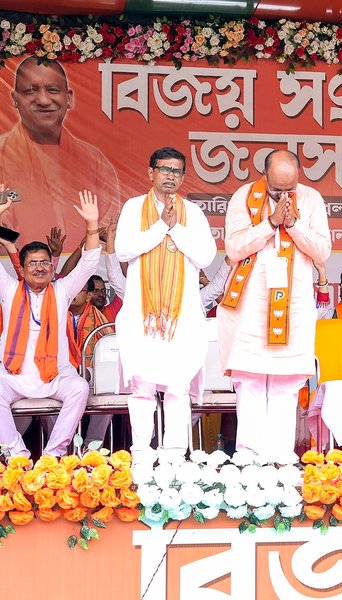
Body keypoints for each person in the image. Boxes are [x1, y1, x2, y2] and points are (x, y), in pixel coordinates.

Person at [218, 149, 331, 463]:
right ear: (263, 175)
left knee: (285, 381)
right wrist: (270, 223)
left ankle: (280, 457)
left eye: (289, 190)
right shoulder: (244, 196)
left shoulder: (310, 199)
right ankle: (250, 457)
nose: (284, 195)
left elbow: (322, 251)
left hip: (292, 305)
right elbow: (234, 247)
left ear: (298, 175)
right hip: (251, 304)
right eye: (277, 190)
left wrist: (293, 225)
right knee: (250, 379)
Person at [114, 147, 216, 462]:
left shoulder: (193, 213)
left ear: (183, 177)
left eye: (176, 171)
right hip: (141, 315)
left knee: (177, 385)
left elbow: (206, 256)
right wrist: (161, 226)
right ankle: (142, 452)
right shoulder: (133, 208)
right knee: (142, 385)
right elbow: (123, 251)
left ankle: (173, 453)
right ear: (151, 173)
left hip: (181, 317)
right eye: (164, 169)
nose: (170, 176)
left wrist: (175, 228)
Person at [0, 190, 101, 457]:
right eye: (33, 263)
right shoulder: (9, 290)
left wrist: (92, 226)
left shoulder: (62, 291)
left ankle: (53, 455)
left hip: (55, 374)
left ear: (51, 267)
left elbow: (89, 264)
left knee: (79, 388)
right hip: (14, 374)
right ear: (21, 268)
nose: (40, 267)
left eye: (45, 262)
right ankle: (17, 456)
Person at [0, 57, 120, 243]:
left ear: (69, 98)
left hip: (81, 268)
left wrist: (77, 257)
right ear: (15, 99)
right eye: (30, 91)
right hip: (15, 266)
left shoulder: (95, 162)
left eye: (52, 90)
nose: (43, 100)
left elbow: (109, 234)